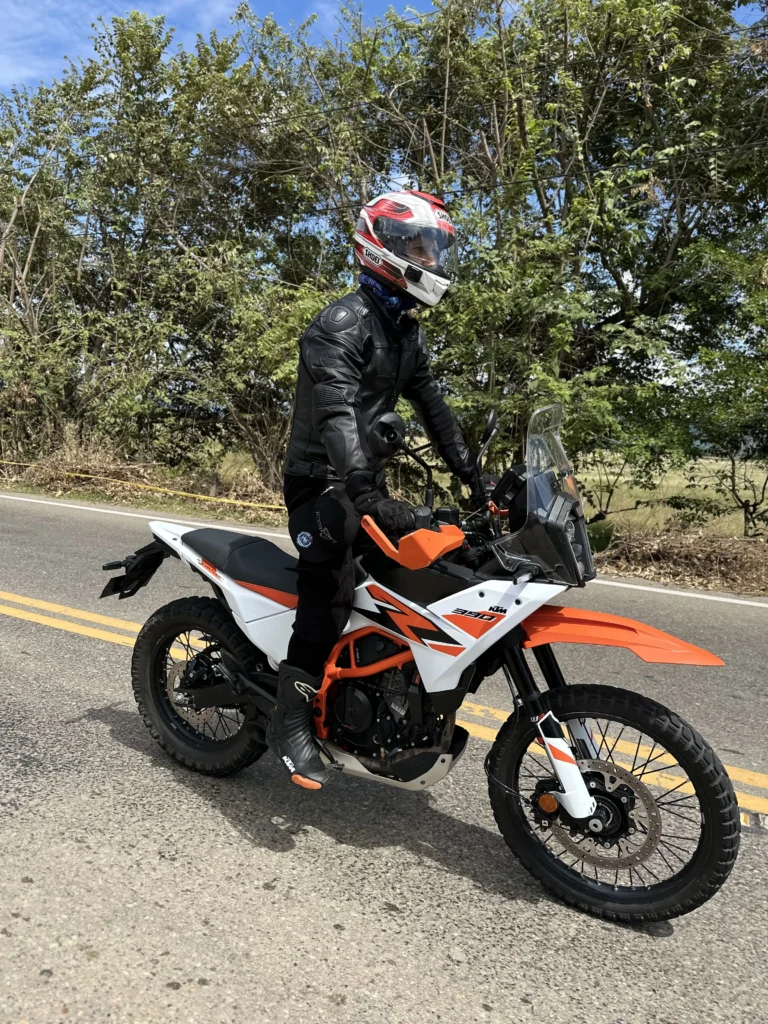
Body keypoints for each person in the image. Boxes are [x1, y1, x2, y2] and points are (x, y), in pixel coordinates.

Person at [266, 190, 483, 790]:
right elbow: (336, 415)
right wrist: (363, 491)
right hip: (320, 485)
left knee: (441, 564)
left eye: (436, 248)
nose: (432, 259)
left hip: (364, 479)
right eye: (422, 247)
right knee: (330, 588)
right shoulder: (340, 325)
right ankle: (289, 723)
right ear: (383, 247)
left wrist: (475, 476)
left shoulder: (404, 330)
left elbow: (434, 409)